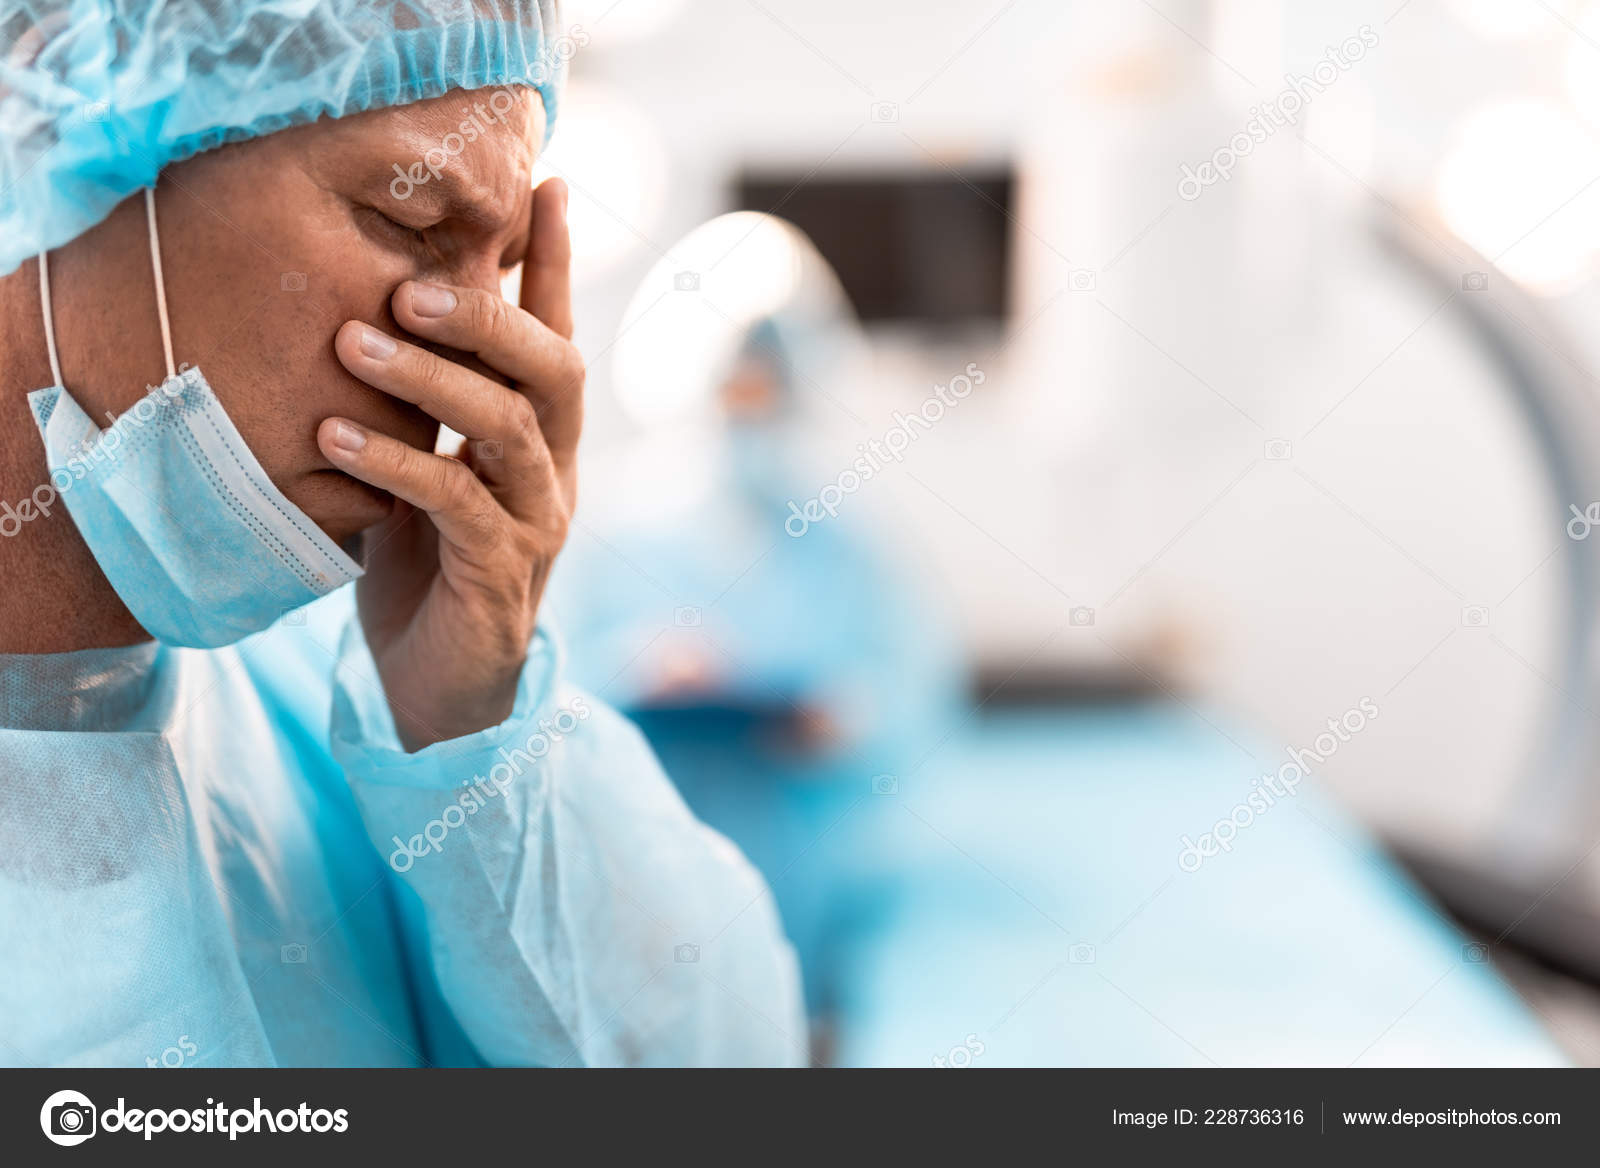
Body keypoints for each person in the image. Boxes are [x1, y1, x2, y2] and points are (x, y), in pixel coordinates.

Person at [0, 0, 803, 1068]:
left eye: (502, 268)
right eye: (416, 225)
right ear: (53, 114)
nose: (476, 367)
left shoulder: (342, 734)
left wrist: (471, 745)